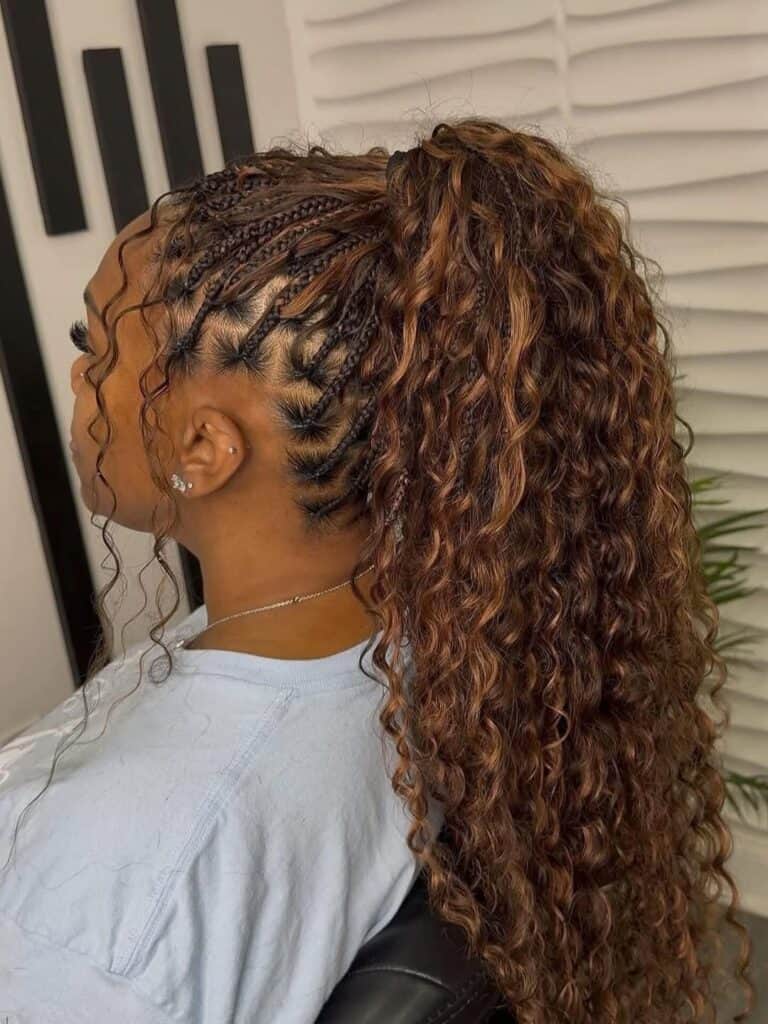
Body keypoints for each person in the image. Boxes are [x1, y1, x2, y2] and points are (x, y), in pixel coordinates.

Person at [0, 118, 754, 1022]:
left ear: (203, 445)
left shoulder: (111, 892)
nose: (77, 377)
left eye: (95, 349)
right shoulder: (437, 643)